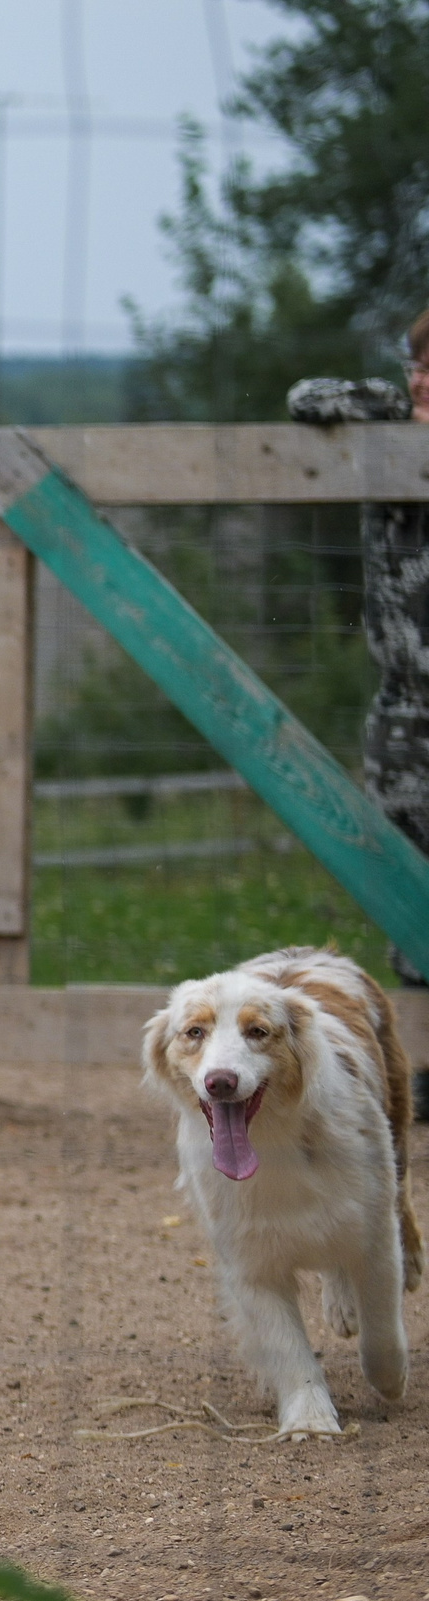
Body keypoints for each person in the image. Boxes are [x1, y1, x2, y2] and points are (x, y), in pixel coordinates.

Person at [290, 307, 429, 1116]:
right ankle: (416, 1069)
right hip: (406, 717)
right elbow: (308, 398)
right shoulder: (385, 429)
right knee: (407, 900)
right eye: (416, 368)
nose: (420, 383)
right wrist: (390, 404)